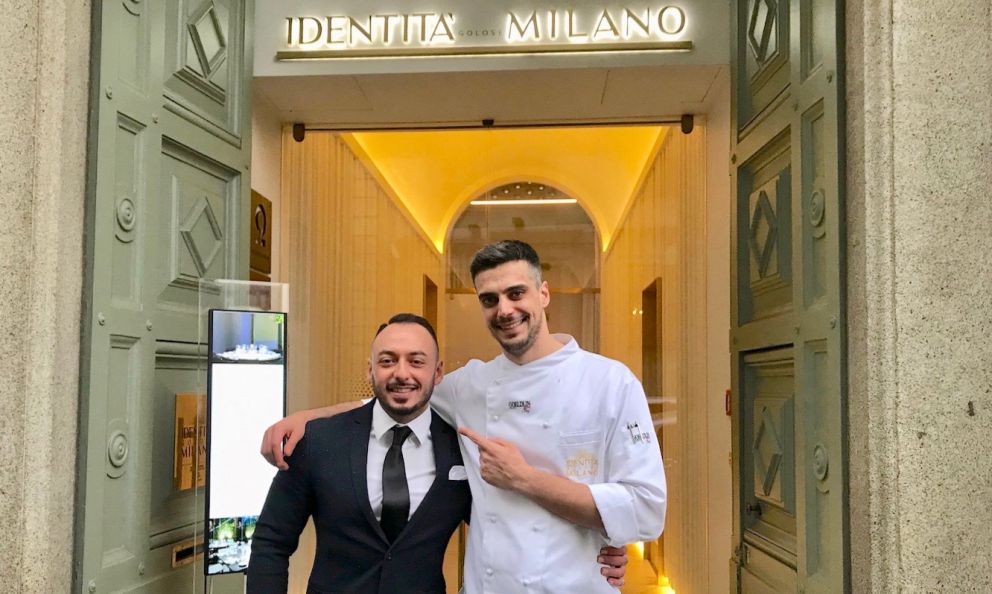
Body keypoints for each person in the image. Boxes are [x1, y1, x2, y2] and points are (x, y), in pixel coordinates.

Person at [262, 240, 665, 592]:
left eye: (516, 293)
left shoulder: (610, 382)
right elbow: (402, 398)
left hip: (575, 586)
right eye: (489, 299)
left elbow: (646, 509)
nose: (504, 310)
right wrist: (309, 417)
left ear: (544, 293)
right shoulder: (471, 385)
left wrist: (524, 478)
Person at [247, 314, 471, 593]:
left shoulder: (462, 450)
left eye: (416, 361)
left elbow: (494, 535)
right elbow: (271, 542)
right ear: (370, 370)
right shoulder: (318, 441)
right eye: (387, 361)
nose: (402, 373)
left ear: (437, 372)